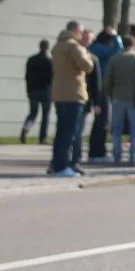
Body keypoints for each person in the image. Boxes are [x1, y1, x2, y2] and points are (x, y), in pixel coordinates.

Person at [49, 21, 94, 177]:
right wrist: (87, 53)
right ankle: (63, 166)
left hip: (59, 93)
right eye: (80, 32)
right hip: (74, 93)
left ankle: (56, 164)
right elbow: (87, 66)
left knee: (61, 131)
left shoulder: (57, 46)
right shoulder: (74, 46)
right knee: (70, 133)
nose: (82, 36)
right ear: (75, 31)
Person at [106, 30, 135, 166]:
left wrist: (112, 93)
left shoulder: (115, 59)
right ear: (134, 45)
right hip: (134, 97)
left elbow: (107, 80)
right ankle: (134, 157)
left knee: (117, 129)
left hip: (118, 96)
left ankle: (117, 156)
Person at [86, 28, 122, 163]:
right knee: (103, 121)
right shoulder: (100, 49)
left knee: (101, 121)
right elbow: (118, 50)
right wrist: (117, 37)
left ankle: (97, 151)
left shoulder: (94, 48)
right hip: (101, 88)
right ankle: (97, 153)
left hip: (100, 87)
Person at [22, 39, 53, 144]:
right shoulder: (49, 61)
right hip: (46, 91)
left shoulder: (31, 60)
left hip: (33, 90)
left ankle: (25, 130)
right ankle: (42, 137)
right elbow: (52, 77)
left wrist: (28, 90)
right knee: (45, 115)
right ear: (47, 48)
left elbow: (27, 76)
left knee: (33, 113)